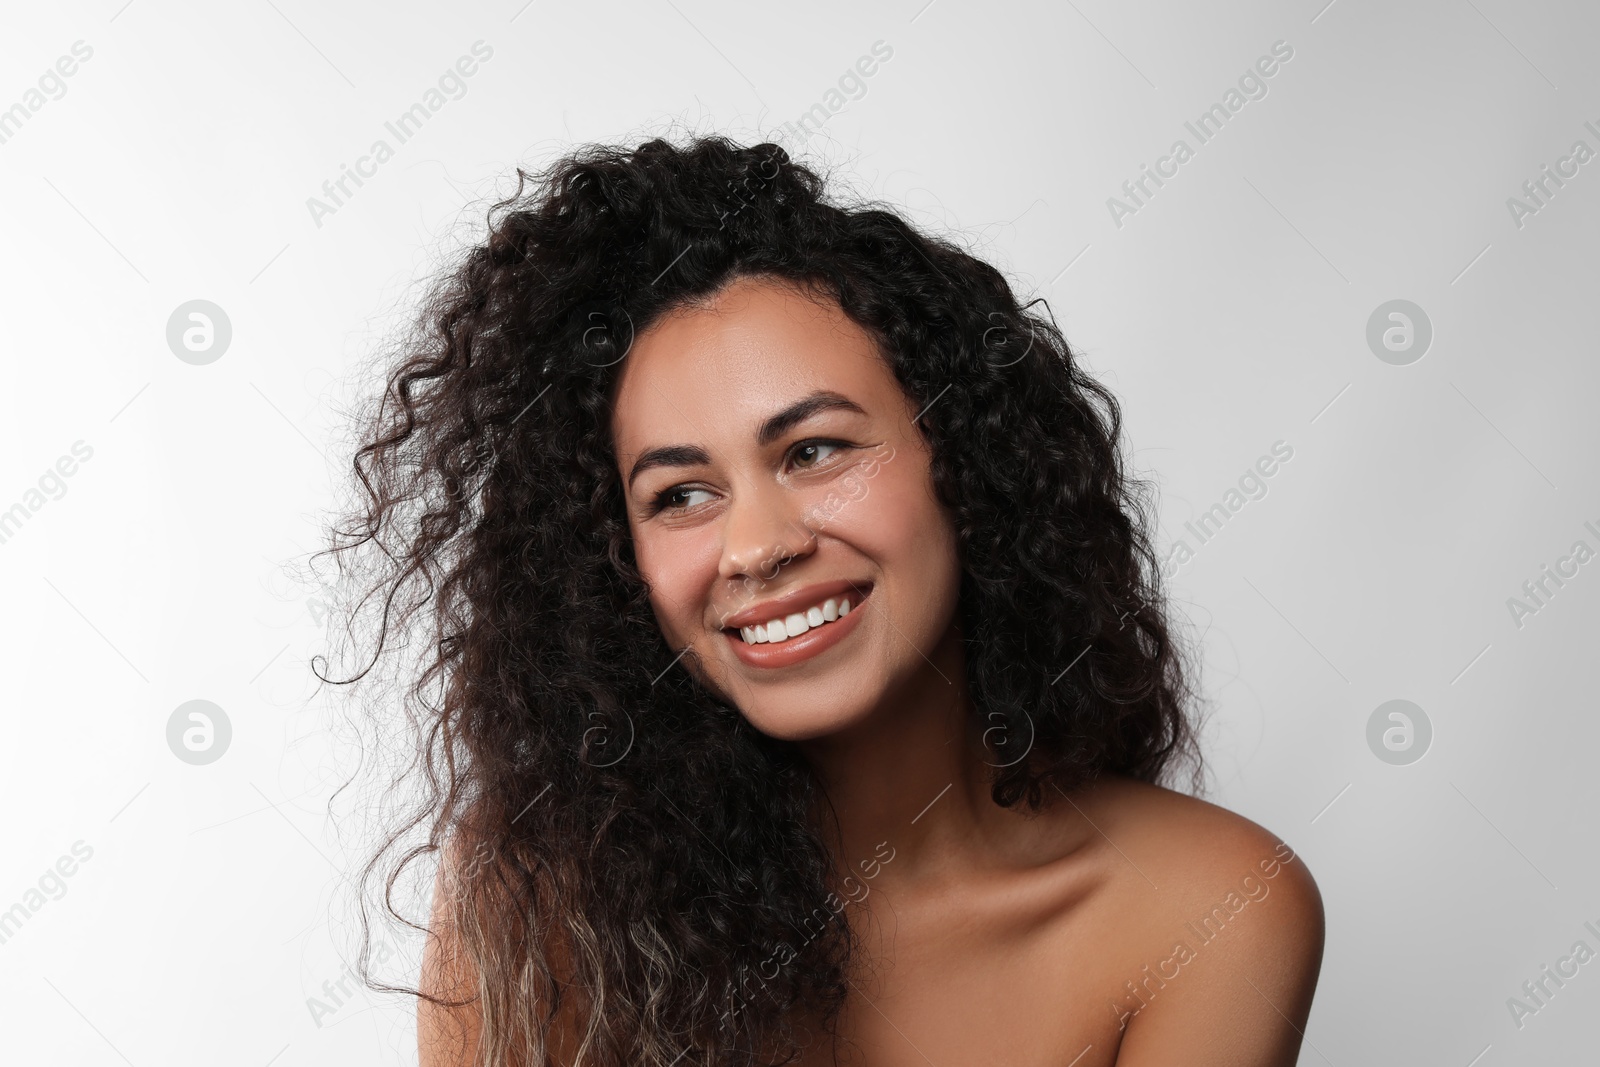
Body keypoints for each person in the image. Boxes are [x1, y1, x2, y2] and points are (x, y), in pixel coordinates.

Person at [326, 134, 1323, 1066]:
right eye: (680, 495)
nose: (756, 545)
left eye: (815, 450)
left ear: (964, 464)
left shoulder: (1212, 907)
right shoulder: (538, 893)